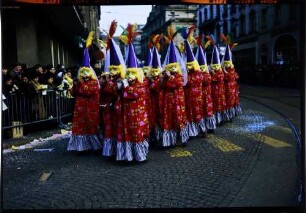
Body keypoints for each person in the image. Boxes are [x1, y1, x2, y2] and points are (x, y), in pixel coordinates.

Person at [67, 31, 103, 153]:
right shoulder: (80, 82)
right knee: (80, 128)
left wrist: (80, 83)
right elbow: (74, 93)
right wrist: (75, 84)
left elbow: (88, 91)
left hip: (91, 110)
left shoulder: (93, 83)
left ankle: (94, 145)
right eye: (83, 73)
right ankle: (81, 147)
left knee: (91, 127)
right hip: (80, 110)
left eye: (86, 73)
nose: (85, 75)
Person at [118, 24, 149, 162]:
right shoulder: (127, 85)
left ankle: (140, 156)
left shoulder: (141, 85)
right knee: (127, 135)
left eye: (132, 75)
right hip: (127, 115)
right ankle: (129, 156)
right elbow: (122, 97)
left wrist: (126, 87)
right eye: (128, 75)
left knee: (138, 135)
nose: (129, 77)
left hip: (138, 117)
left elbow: (134, 94)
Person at [158, 26, 189, 148]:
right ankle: (170, 140)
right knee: (169, 120)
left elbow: (175, 84)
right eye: (169, 67)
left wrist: (169, 77)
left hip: (178, 103)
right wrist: (163, 78)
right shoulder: (166, 75)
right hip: (168, 102)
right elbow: (162, 86)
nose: (171, 69)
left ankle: (183, 138)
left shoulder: (179, 76)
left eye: (173, 67)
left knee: (179, 120)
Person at [101, 20, 126, 158]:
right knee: (109, 130)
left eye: (115, 70)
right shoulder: (109, 81)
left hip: (120, 110)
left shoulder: (122, 81)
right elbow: (104, 92)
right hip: (109, 109)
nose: (113, 72)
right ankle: (111, 151)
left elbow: (116, 91)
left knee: (119, 131)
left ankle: (119, 152)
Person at [182, 26, 207, 138]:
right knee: (189, 115)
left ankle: (202, 129)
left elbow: (191, 82)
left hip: (197, 98)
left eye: (190, 66)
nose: (189, 68)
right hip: (188, 98)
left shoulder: (197, 74)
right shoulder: (188, 74)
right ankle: (192, 132)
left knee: (198, 114)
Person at [195, 34, 216, 132]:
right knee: (199, 112)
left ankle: (210, 126)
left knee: (207, 111)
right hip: (198, 96)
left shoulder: (207, 74)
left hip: (206, 96)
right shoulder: (195, 74)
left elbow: (207, 80)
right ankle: (201, 128)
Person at [206, 34, 228, 125]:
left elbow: (219, 78)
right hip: (212, 93)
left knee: (220, 106)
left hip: (220, 92)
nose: (214, 68)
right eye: (213, 67)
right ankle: (216, 120)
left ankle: (221, 119)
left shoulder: (220, 73)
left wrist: (214, 74)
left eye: (216, 67)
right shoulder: (210, 72)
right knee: (214, 107)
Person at [220, 34, 242, 118]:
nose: (226, 65)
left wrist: (226, 72)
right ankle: (227, 115)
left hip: (232, 90)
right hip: (224, 90)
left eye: (227, 64)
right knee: (225, 102)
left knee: (231, 102)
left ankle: (232, 114)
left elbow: (233, 77)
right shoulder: (223, 70)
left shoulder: (232, 71)